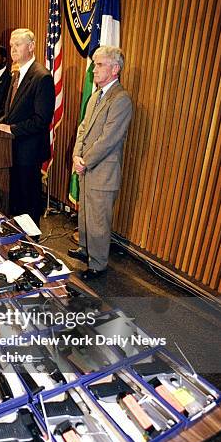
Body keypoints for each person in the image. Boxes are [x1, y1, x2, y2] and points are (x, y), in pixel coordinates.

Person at [68, 46, 133, 279]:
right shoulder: (96, 95)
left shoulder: (121, 99)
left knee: (98, 220)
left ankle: (97, 264)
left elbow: (109, 138)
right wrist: (76, 155)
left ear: (115, 69)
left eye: (99, 64)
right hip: (87, 166)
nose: (93, 69)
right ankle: (85, 250)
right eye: (94, 64)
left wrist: (84, 160)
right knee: (86, 214)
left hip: (102, 171)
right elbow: (83, 128)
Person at [0, 28, 55, 226]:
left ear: (31, 47)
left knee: (29, 204)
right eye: (11, 45)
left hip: (29, 151)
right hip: (12, 149)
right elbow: (13, 111)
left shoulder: (42, 77)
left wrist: (11, 129)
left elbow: (41, 120)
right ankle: (18, 238)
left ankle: (32, 247)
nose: (12, 49)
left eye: (18, 44)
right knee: (17, 203)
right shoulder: (16, 75)